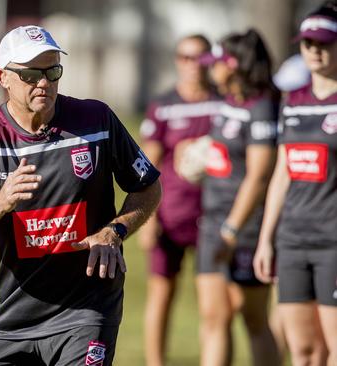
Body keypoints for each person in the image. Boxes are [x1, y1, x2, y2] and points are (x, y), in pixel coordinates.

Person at [0, 25, 161, 366]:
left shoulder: (96, 122)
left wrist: (115, 231)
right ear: (3, 77)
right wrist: (0, 201)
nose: (43, 82)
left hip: (87, 310)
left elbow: (147, 186)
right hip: (14, 318)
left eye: (52, 71)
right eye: (30, 74)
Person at [254, 2, 337, 365]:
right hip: (293, 241)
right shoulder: (292, 102)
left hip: (333, 242)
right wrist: (266, 239)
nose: (315, 51)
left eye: (324, 43)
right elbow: (283, 173)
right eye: (308, 43)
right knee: (302, 351)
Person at [196, 29, 281, 366]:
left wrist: (232, 230)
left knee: (254, 319)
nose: (210, 70)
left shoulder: (262, 107)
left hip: (244, 227)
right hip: (212, 221)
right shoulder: (228, 102)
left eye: (215, 63)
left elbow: (259, 176)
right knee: (213, 317)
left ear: (232, 65)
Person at [138, 34, 219, 366]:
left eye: (199, 57)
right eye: (185, 57)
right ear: (176, 60)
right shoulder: (164, 106)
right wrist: (148, 218)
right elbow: (147, 165)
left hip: (213, 215)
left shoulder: (222, 101)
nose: (192, 64)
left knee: (213, 305)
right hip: (170, 214)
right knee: (161, 296)